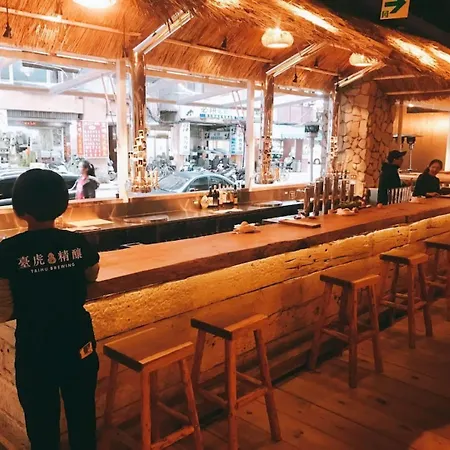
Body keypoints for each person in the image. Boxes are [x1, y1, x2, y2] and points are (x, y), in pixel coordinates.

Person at [0, 169, 100, 450]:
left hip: (36, 349)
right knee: (83, 416)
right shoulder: (76, 243)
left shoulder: (8, 251)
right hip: (78, 342)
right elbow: (92, 274)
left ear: (20, 210)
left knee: (41, 423)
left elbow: (4, 310)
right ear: (62, 206)